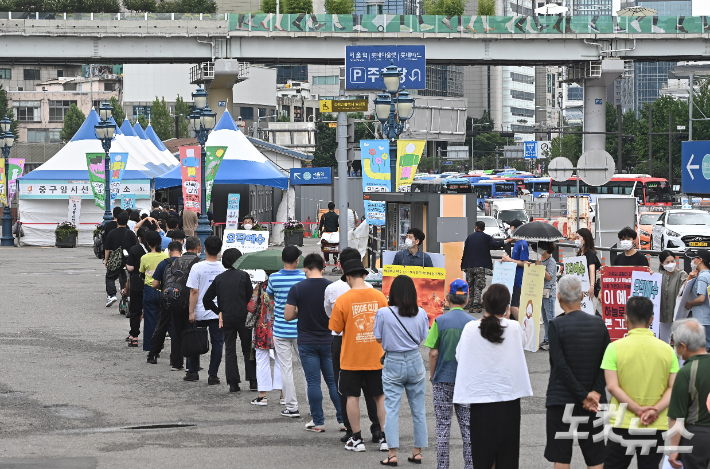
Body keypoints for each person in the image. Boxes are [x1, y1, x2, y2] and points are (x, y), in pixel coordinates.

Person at [453, 283, 533, 469]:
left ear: (484, 304)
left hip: (480, 401)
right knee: (508, 455)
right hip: (508, 400)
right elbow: (522, 344)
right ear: (506, 307)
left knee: (482, 457)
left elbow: (459, 356)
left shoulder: (471, 328)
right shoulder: (513, 327)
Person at [601, 296, 679, 469]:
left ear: (626, 318)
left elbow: (612, 386)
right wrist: (654, 410)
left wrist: (636, 409)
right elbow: (673, 387)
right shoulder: (667, 350)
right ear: (651, 319)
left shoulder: (614, 348)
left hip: (622, 422)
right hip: (655, 423)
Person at [544, 275, 610, 469]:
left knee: (562, 456)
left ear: (558, 297)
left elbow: (560, 365)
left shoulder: (556, 325)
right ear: (582, 295)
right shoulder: (599, 324)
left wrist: (582, 395)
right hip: (595, 402)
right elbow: (606, 362)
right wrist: (595, 393)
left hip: (561, 399)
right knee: (596, 455)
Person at [329, 259, 389, 453]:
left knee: (351, 397)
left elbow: (336, 328)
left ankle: (356, 439)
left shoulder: (343, 300)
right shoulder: (379, 296)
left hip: (351, 358)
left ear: (347, 277)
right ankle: (384, 438)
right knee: (380, 397)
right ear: (364, 275)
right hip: (375, 356)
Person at [373, 275, 429, 466]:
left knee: (391, 409)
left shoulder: (383, 313)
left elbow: (378, 339)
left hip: (393, 361)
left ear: (393, 293)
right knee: (418, 410)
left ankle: (392, 453)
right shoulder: (421, 313)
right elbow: (423, 337)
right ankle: (417, 451)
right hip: (414, 359)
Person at [284, 253, 343, 432]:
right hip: (328, 339)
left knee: (313, 382)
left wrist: (299, 312)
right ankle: (342, 420)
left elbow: (287, 316)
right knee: (333, 382)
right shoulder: (331, 287)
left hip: (307, 341)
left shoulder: (297, 288)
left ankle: (318, 422)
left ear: (305, 268)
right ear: (323, 267)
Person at [425, 279, 474, 469]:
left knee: (443, 427)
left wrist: (433, 375)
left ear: (446, 299)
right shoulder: (472, 323)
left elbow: (433, 352)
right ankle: (470, 465)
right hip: (465, 382)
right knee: (468, 429)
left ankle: (443, 466)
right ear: (467, 300)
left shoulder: (440, 321)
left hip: (443, 380)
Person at [203, 248, 257, 392]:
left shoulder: (219, 278)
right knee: (248, 348)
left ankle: (233, 383)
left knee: (230, 349)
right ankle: (253, 380)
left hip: (226, 317)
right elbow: (250, 299)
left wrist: (219, 311)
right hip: (243, 317)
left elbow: (206, 299)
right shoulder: (243, 276)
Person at [267, 245, 307, 418]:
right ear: (298, 260)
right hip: (302, 329)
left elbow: (270, 297)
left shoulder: (274, 278)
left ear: (282, 259)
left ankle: (291, 407)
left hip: (281, 329)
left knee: (286, 368)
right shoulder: (304, 277)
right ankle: (313, 407)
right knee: (307, 368)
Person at [667, 318, 710, 469]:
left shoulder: (686, 372)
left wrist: (673, 450)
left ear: (683, 346)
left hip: (697, 435)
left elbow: (677, 417)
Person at [184, 235, 227, 383]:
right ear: (219, 250)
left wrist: (191, 311)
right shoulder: (223, 268)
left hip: (200, 311)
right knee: (217, 343)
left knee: (194, 340)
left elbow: (193, 291)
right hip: (217, 312)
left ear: (205, 249)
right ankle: (213, 374)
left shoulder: (197, 267)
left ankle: (193, 371)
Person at [248, 270, 283, 406]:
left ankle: (263, 396)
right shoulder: (283, 286)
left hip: (262, 327)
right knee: (282, 360)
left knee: (262, 359)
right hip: (280, 326)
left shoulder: (261, 287)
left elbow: (251, 307)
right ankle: (283, 395)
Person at [146, 241, 183, 366]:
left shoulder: (164, 263)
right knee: (179, 328)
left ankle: (153, 354)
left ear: (169, 251)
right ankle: (178, 357)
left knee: (161, 326)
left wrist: (165, 288)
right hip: (181, 299)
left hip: (166, 298)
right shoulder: (185, 264)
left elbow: (155, 284)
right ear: (181, 251)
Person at [460, 220, 505, 313]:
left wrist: (463, 264)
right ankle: (476, 305)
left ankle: (471, 303)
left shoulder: (470, 238)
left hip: (469, 265)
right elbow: (495, 244)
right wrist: (505, 241)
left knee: (471, 285)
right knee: (478, 285)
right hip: (480, 266)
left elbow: (465, 251)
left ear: (476, 227)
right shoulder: (486, 237)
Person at [139, 231, 168, 352]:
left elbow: (141, 274)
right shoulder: (166, 257)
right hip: (164, 289)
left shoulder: (144, 257)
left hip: (150, 289)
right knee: (165, 320)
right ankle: (163, 343)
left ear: (147, 243)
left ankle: (151, 347)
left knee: (150, 320)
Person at [104, 211, 137, 307]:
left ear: (117, 221)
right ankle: (124, 301)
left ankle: (112, 295)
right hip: (127, 260)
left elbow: (107, 248)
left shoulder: (112, 233)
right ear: (127, 221)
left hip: (115, 260)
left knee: (110, 277)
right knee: (125, 280)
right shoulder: (131, 234)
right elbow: (134, 247)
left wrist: (107, 260)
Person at [125, 227, 148, 347]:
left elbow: (131, 268)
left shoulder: (134, 249)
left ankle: (134, 336)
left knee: (135, 311)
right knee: (151, 311)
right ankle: (152, 337)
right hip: (152, 284)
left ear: (139, 237)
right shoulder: (155, 250)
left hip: (137, 283)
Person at [501, 219, 529, 320]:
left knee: (513, 306)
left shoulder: (522, 244)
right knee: (512, 305)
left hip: (518, 279)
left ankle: (522, 329)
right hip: (513, 278)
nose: (510, 229)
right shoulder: (517, 243)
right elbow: (514, 260)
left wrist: (509, 260)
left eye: (511, 227)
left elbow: (525, 263)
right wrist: (506, 260)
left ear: (516, 229)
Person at [684, 249, 710, 351]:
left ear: (700, 260)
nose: (692, 261)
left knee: (703, 349)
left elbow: (701, 298)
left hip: (702, 319)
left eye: (693, 259)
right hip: (706, 318)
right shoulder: (707, 275)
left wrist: (689, 304)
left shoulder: (702, 277)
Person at [659, 251, 688, 340]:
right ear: (662, 263)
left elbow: (686, 289)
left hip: (677, 312)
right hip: (664, 314)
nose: (671, 264)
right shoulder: (660, 275)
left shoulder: (681, 274)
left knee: (679, 339)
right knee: (664, 339)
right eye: (667, 262)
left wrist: (689, 278)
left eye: (672, 261)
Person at [537, 241, 557, 351]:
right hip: (542, 292)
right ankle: (547, 339)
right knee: (545, 318)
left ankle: (552, 340)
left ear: (545, 249)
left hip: (549, 292)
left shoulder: (551, 261)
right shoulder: (542, 260)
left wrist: (541, 268)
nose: (538, 250)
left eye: (540, 248)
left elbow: (549, 277)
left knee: (550, 318)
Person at [575, 228, 601, 305]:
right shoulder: (579, 254)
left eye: (578, 238)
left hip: (588, 287)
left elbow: (592, 270)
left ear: (585, 239)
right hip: (580, 287)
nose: (576, 240)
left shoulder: (590, 253)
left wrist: (592, 286)